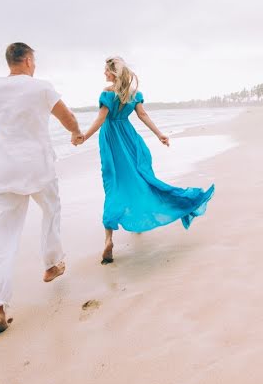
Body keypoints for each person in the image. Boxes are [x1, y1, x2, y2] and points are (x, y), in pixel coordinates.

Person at [0, 42, 84, 334]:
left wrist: (5, 140)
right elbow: (67, 117)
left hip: (4, 168)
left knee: (2, 236)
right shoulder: (41, 87)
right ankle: (52, 263)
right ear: (28, 60)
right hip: (38, 165)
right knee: (50, 209)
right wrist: (76, 132)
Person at [80, 56, 214, 264]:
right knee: (141, 180)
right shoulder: (133, 94)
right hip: (130, 139)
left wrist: (83, 137)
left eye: (106, 71)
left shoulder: (107, 93)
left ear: (112, 73)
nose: (104, 74)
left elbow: (100, 119)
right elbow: (143, 116)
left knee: (113, 184)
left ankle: (108, 239)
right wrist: (160, 134)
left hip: (111, 141)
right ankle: (141, 218)